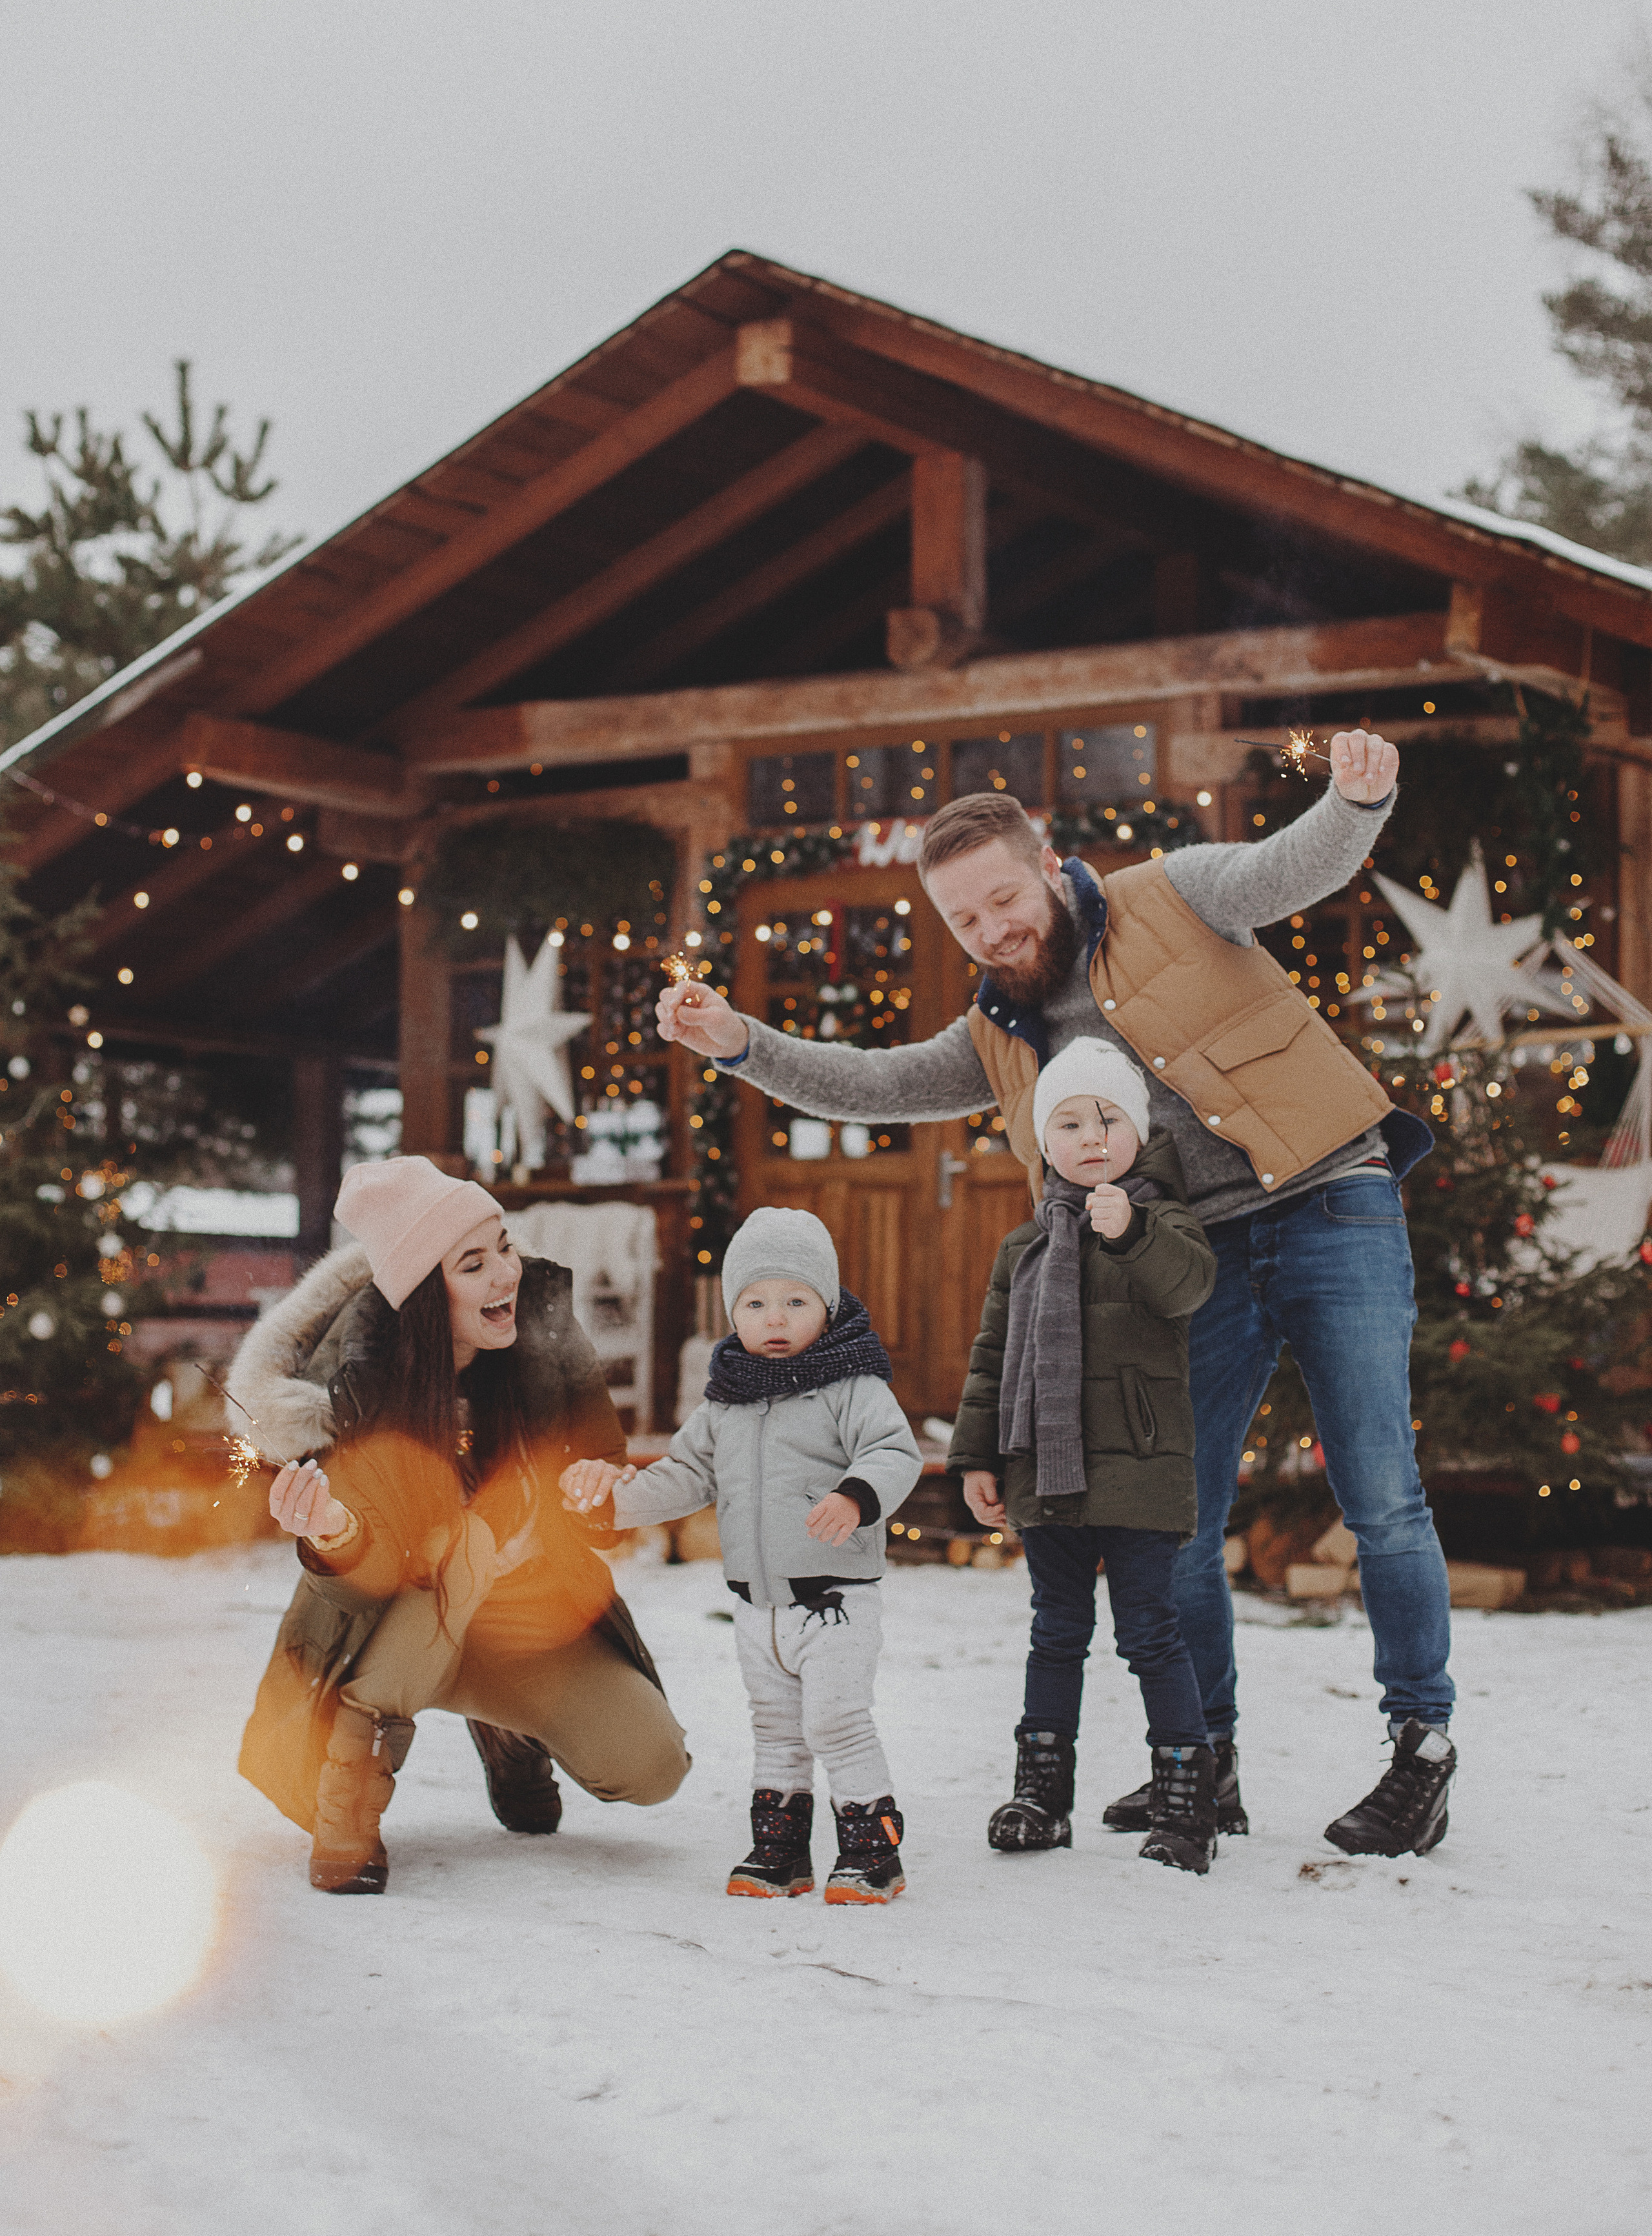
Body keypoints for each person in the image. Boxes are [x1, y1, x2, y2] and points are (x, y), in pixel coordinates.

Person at [657, 736, 1459, 1862]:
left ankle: (1420, 1743)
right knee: (1176, 1518)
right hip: (1187, 1257)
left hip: (1331, 1196)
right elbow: (878, 1083)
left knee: (1380, 1494)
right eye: (966, 922)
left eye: (1002, 899)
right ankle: (1205, 1761)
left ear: (1046, 861)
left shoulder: (1173, 894)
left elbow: (1290, 868)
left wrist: (1357, 800)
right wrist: (743, 1043)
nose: (992, 930)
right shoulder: (995, 1031)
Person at [234, 1156, 689, 1893]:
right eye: (473, 1264)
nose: (506, 1274)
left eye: (504, 1247)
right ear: (420, 1293)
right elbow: (360, 1580)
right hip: (402, 1632)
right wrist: (332, 1534)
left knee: (653, 1765)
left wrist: (597, 1484)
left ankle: (508, 1726)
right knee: (466, 1539)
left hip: (523, 1621)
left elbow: (600, 1461)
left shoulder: (541, 1337)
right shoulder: (361, 1383)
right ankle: (353, 1787)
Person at [563, 1207, 922, 1904]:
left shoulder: (851, 1386)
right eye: (755, 1303)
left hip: (835, 1598)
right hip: (757, 1604)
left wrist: (854, 1495)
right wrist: (614, 1505)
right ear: (735, 1314)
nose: (775, 1318)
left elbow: (894, 1452)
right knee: (776, 1727)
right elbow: (685, 1474)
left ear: (828, 1304)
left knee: (835, 1721)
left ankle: (873, 1850)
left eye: (795, 1300)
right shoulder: (726, 1401)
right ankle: (780, 1850)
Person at [951, 1043, 1220, 1871]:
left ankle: (1184, 1798)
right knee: (1056, 1632)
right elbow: (993, 1358)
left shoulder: (1164, 1220)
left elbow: (1188, 1287)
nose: (1090, 1136)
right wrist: (979, 1458)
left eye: (1108, 1118)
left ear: (1137, 1131)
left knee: (1149, 1632)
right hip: (1046, 1469)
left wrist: (1135, 1232)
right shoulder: (1024, 1248)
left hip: (1139, 1467)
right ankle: (1040, 1794)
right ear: (1045, 1144)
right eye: (1068, 1123)